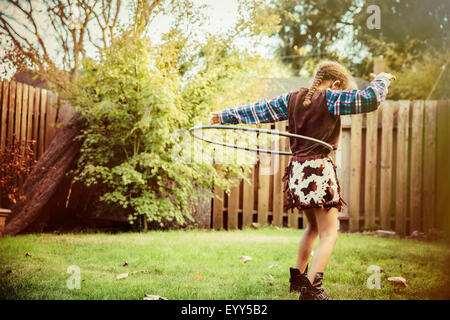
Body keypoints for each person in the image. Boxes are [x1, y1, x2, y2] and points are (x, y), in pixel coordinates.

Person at [208, 61, 395, 300]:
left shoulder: (292, 99)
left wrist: (222, 115)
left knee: (313, 227)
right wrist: (382, 79)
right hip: (318, 171)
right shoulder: (330, 98)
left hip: (297, 172)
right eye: (339, 88)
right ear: (335, 84)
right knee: (330, 233)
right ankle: (312, 291)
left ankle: (298, 279)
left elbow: (257, 110)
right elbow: (370, 99)